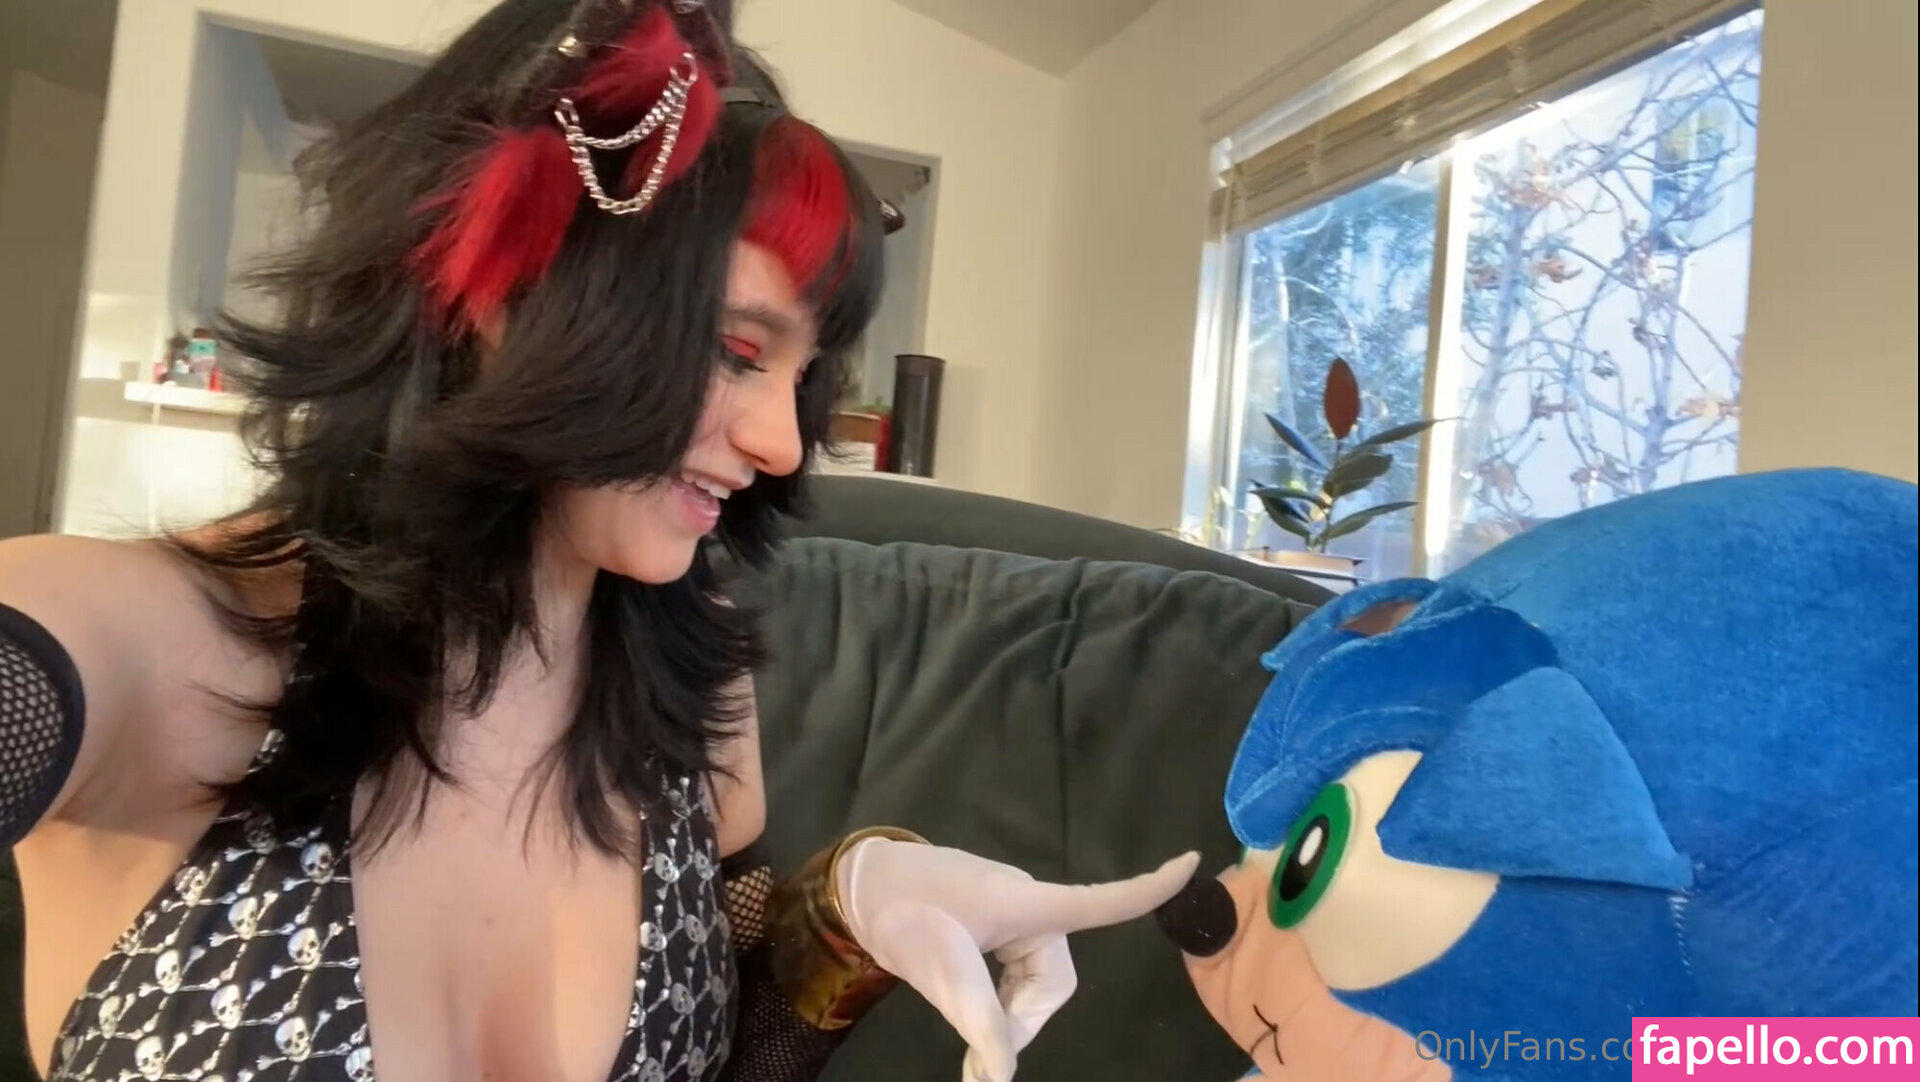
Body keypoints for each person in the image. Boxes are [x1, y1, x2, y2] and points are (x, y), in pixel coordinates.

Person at [0, 2, 1197, 1080]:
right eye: (736, 351)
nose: (783, 440)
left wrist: (848, 912)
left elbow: (725, 1028)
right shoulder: (151, 644)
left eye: (804, 376)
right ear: (501, 293)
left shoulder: (693, 682)